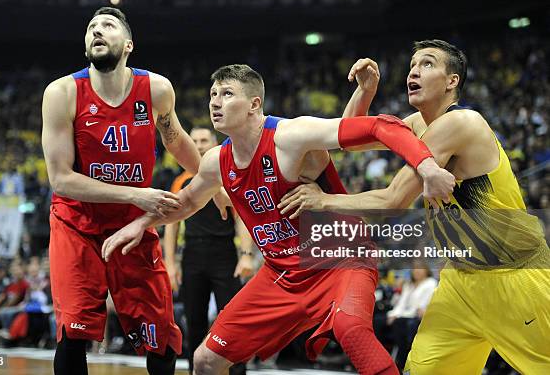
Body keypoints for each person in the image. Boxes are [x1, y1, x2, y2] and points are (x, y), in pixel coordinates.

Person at [101, 63, 455, 375]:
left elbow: (380, 127)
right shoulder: (215, 162)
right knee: (206, 361)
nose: (215, 101)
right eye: (212, 94)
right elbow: (187, 202)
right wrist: (139, 223)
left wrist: (428, 169)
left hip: (341, 259)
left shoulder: (290, 135)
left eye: (227, 93)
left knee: (351, 329)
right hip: (281, 273)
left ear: (254, 104)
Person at [277, 40, 550, 374]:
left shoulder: (461, 123)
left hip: (515, 277)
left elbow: (392, 201)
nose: (414, 71)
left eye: (428, 64)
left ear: (452, 81)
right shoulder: (419, 126)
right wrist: (364, 91)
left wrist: (322, 200)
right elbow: (349, 139)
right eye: (412, 65)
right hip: (460, 283)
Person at [41, 7, 223, 375]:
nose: (96, 31)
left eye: (107, 26)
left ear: (127, 45)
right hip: (77, 222)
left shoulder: (156, 89)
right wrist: (134, 194)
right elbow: (60, 179)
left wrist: (214, 181)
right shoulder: (61, 93)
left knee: (160, 333)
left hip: (134, 225)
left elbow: (177, 141)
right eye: (91, 27)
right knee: (74, 331)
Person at [164, 127, 255, 375]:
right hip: (193, 255)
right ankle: (196, 371)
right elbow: (171, 226)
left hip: (225, 256)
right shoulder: (181, 181)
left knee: (233, 323)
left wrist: (246, 256)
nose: (199, 145)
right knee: (194, 323)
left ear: (214, 144)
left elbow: (242, 218)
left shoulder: (229, 175)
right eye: (194, 141)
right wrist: (170, 265)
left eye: (204, 140)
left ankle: (238, 372)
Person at [386, 262, 437, 371]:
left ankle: (403, 359)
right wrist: (394, 314)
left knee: (403, 323)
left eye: (420, 268)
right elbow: (402, 304)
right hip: (406, 314)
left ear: (426, 270)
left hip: (420, 315)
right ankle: (383, 358)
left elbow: (420, 306)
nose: (417, 271)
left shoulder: (430, 283)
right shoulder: (408, 284)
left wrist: (398, 315)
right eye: (415, 268)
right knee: (379, 320)